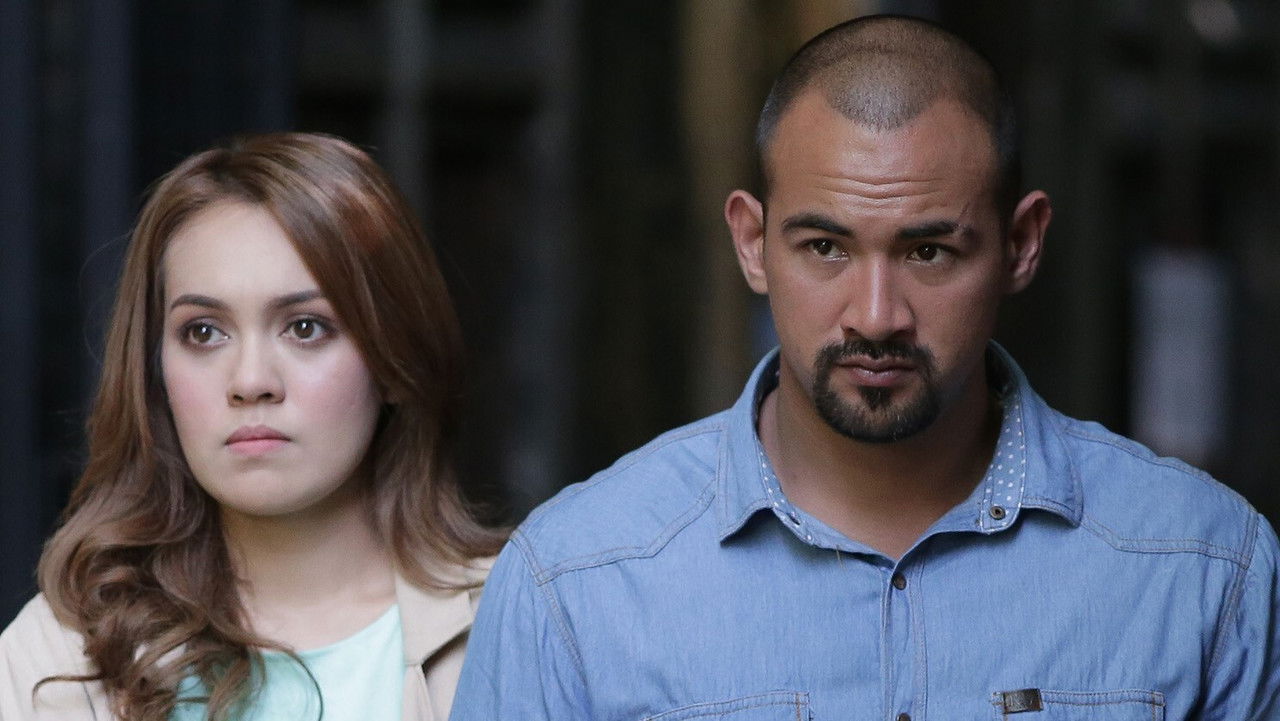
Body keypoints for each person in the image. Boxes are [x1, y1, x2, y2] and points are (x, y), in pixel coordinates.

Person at [450, 15, 1280, 721]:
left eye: (928, 251)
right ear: (752, 243)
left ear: (1021, 245)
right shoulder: (578, 583)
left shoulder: (1204, 568)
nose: (876, 316)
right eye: (825, 247)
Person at [0, 132, 503, 721]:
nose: (251, 381)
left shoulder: (528, 617)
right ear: (155, 370)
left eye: (306, 327)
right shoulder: (57, 659)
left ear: (392, 358)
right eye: (204, 332)